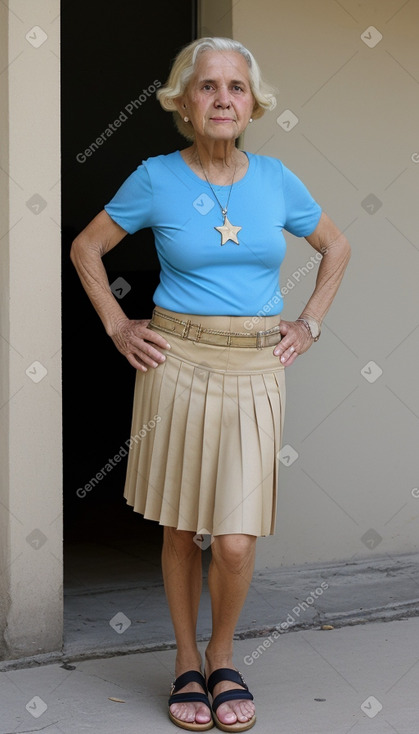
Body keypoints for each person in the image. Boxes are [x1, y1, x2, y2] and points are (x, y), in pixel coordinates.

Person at [71, 36, 350, 732]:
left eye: (234, 88)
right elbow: (86, 246)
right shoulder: (156, 177)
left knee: (233, 538)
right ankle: (186, 661)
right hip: (177, 365)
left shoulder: (277, 179)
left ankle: (224, 657)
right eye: (206, 87)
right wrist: (115, 324)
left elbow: (336, 245)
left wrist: (309, 323)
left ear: (252, 104)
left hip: (255, 366)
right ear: (182, 103)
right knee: (182, 526)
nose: (222, 99)